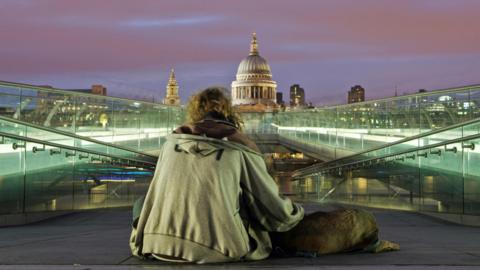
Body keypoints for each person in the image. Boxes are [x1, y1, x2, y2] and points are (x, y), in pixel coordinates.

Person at [130, 87, 399, 263]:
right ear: (231, 114)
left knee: (140, 205)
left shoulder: (170, 144)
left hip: (154, 244)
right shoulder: (240, 148)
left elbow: (153, 200)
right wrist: (297, 213)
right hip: (218, 248)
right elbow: (275, 213)